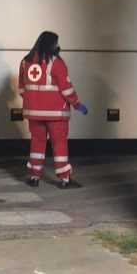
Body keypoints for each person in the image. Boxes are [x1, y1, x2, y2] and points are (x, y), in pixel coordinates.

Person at [18, 31, 87, 188]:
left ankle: (34, 176)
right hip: (56, 114)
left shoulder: (25, 62)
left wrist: (33, 103)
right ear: (52, 45)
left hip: (33, 113)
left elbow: (22, 89)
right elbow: (66, 89)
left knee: (37, 144)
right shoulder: (56, 62)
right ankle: (64, 178)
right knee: (59, 145)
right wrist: (77, 104)